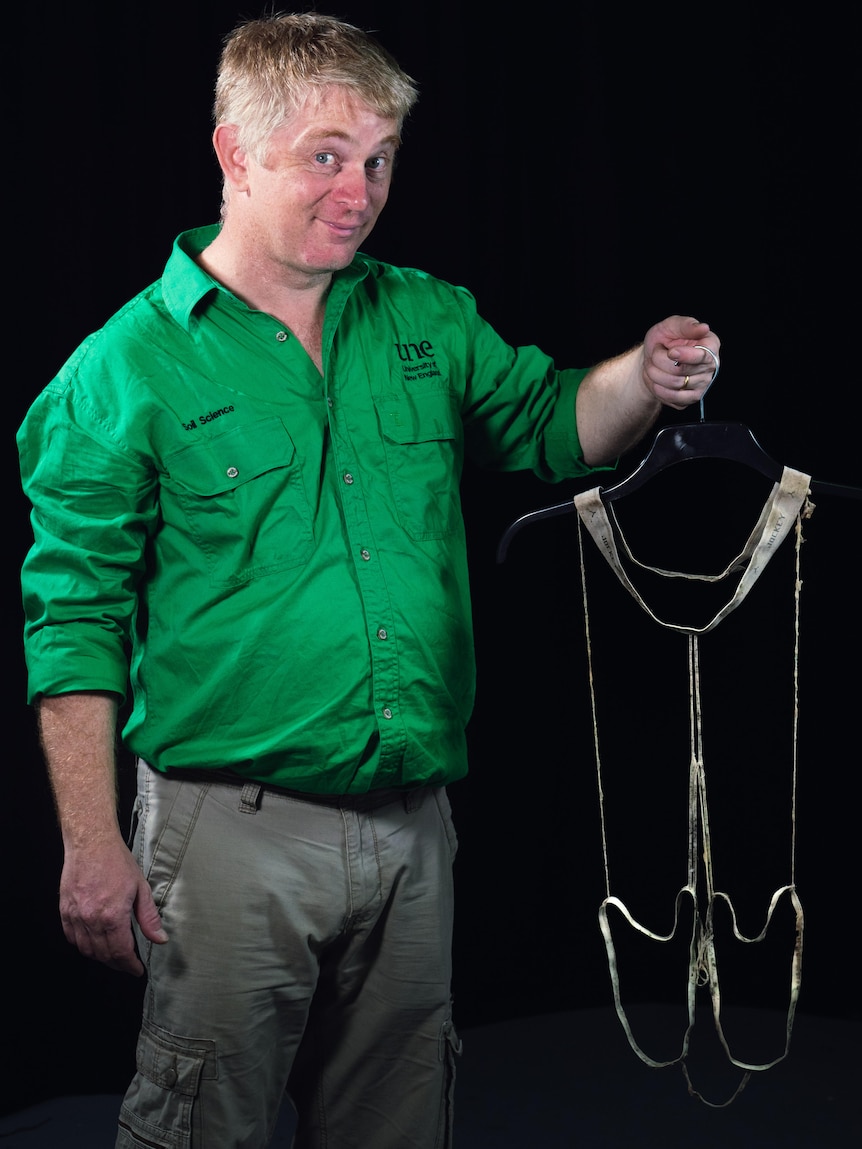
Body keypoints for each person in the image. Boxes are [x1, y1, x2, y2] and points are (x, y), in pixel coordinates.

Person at [17, 11, 720, 1148]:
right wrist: (92, 844)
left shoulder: (425, 317)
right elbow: (75, 618)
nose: (360, 190)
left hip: (411, 830)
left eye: (380, 158)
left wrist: (643, 374)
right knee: (202, 1123)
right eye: (326, 156)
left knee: (397, 1122)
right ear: (235, 154)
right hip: (231, 833)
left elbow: (550, 422)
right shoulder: (122, 368)